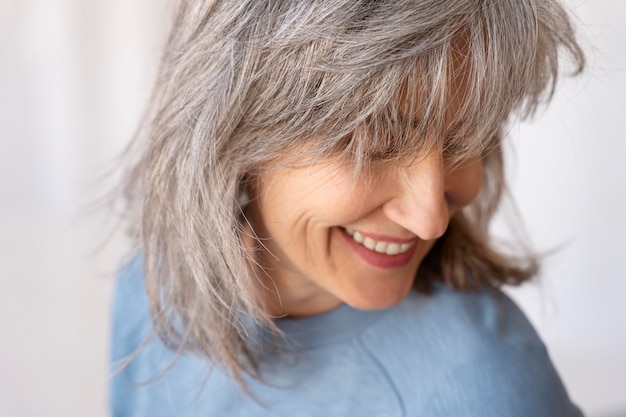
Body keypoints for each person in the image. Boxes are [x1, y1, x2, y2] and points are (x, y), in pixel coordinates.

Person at [110, 0, 586, 415]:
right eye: (375, 141)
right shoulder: (152, 287)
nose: (430, 218)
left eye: (465, 141)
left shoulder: (483, 386)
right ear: (235, 125)